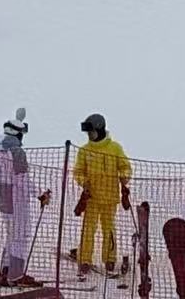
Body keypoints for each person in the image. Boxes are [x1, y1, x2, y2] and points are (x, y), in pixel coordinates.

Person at [0, 108, 48, 286]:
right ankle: (16, 275)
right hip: (17, 201)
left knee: (11, 235)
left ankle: (5, 270)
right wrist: (40, 194)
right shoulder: (17, 152)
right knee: (20, 236)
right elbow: (22, 180)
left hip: (3, 198)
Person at [73, 113, 132, 277]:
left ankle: (110, 259)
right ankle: (84, 260)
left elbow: (125, 166)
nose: (89, 135)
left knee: (109, 229)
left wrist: (125, 176)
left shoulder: (115, 148)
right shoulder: (84, 150)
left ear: (99, 129)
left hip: (110, 198)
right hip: (91, 198)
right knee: (88, 230)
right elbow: (78, 171)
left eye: (91, 131)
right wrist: (83, 182)